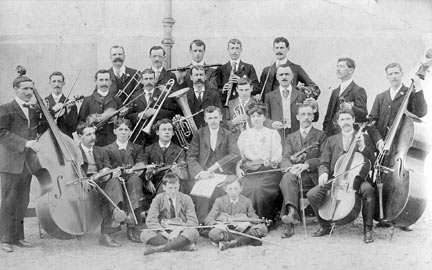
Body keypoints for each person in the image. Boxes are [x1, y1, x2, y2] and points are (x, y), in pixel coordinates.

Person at [307, 108, 376, 243]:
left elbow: (373, 162)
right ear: (337, 122)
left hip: (358, 178)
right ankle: (324, 226)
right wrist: (324, 173)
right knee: (312, 194)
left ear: (353, 120)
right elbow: (324, 161)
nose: (345, 122)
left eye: (348, 119)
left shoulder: (364, 137)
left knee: (368, 190)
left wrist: (363, 147)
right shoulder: (331, 140)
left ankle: (368, 229)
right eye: (342, 119)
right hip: (336, 178)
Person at [0, 75, 43, 252]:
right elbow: (1, 133)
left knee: (23, 200)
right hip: (10, 163)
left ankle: (19, 237)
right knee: (8, 200)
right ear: (15, 89)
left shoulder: (33, 110)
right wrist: (24, 143)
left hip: (27, 163)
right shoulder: (5, 109)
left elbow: (34, 132)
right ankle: (5, 239)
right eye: (24, 88)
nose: (28, 92)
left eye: (31, 89)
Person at [77, 122, 133, 247]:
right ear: (79, 136)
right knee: (108, 193)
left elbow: (107, 166)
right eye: (88, 134)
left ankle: (113, 218)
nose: (93, 137)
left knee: (114, 181)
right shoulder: (74, 152)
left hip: (101, 182)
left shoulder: (101, 151)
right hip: (84, 185)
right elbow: (73, 173)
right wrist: (84, 179)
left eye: (93, 133)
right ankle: (116, 215)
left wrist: (107, 172)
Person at [278, 103, 327, 238]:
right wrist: (291, 168)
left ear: (313, 117)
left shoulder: (321, 135)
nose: (306, 117)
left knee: (288, 183)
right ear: (297, 117)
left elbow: (324, 158)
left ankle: (291, 217)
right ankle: (292, 214)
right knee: (287, 178)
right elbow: (285, 158)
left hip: (313, 177)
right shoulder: (290, 137)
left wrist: (306, 165)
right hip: (295, 176)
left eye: (309, 114)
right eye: (303, 114)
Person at [186, 106, 240, 223]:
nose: (213, 121)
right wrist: (200, 173)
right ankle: (203, 223)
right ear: (205, 119)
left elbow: (235, 154)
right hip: (204, 172)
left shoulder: (228, 134)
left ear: (220, 117)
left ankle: (222, 222)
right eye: (210, 118)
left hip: (223, 172)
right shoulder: (199, 134)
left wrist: (217, 165)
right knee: (202, 189)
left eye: (216, 117)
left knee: (224, 189)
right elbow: (190, 157)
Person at [236, 103, 282, 220]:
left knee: (259, 188)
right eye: (253, 116)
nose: (256, 119)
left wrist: (271, 161)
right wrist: (238, 167)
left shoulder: (272, 133)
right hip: (250, 171)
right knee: (248, 188)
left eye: (259, 116)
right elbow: (240, 156)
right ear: (250, 118)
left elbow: (277, 155)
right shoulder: (244, 135)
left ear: (264, 117)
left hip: (268, 171)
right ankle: (248, 218)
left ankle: (264, 218)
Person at [368, 62, 428, 152]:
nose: (394, 76)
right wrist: (378, 141)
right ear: (387, 77)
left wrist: (418, 87)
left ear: (402, 74)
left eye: (396, 73)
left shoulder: (410, 93)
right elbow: (371, 123)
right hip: (382, 148)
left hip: (401, 146)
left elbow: (421, 112)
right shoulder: (380, 97)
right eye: (390, 74)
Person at [103, 119, 146, 243]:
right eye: (120, 129)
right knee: (114, 182)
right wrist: (112, 172)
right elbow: (105, 167)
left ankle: (132, 224)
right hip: (114, 181)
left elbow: (140, 165)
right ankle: (117, 215)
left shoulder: (137, 148)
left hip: (131, 179)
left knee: (135, 180)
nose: (123, 132)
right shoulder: (106, 149)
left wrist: (133, 170)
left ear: (130, 132)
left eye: (126, 129)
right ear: (114, 131)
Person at [140, 173, 199, 255]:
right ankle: (181, 247)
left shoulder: (186, 199)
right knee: (145, 234)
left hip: (181, 232)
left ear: (179, 186)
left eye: (176, 188)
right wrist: (165, 234)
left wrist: (179, 230)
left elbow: (193, 221)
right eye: (170, 188)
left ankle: (159, 249)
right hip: (163, 231)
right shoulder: (158, 199)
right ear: (164, 187)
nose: (173, 191)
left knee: (193, 232)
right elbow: (151, 220)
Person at [205, 175, 268, 251]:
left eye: (236, 188)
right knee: (214, 233)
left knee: (262, 228)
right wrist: (217, 225)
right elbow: (208, 219)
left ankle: (231, 244)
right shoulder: (219, 201)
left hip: (243, 230)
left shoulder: (246, 201)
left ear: (241, 188)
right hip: (228, 231)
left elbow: (254, 218)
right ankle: (249, 240)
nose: (233, 192)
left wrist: (247, 223)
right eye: (230, 189)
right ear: (225, 189)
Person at [141, 118, 189, 206]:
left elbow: (185, 174)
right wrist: (148, 181)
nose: (167, 132)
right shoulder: (148, 149)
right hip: (153, 184)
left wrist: (177, 171)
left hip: (172, 182)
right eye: (164, 129)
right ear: (157, 132)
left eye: (169, 130)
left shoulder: (180, 150)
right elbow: (142, 169)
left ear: (173, 133)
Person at [265, 64, 318, 138]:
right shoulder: (269, 97)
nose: (284, 77)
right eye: (281, 75)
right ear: (277, 77)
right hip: (277, 136)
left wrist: (315, 107)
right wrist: (272, 124)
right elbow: (265, 119)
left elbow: (314, 119)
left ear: (292, 76)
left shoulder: (301, 95)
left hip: (296, 136)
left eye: (287, 74)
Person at [127, 68, 178, 146]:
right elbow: (128, 116)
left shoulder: (163, 95)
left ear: (155, 80)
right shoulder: (135, 96)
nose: (148, 81)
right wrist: (138, 115)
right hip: (140, 138)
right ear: (141, 81)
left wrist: (157, 112)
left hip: (157, 137)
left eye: (151, 78)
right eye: (146, 79)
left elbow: (172, 114)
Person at [323, 58, 368, 136]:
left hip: (349, 136)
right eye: (337, 66)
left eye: (342, 66)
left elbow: (364, 115)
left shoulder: (358, 90)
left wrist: (351, 108)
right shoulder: (335, 92)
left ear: (351, 70)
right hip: (332, 137)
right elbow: (328, 118)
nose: (338, 69)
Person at [78, 69, 124, 147]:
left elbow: (121, 123)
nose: (104, 83)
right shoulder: (87, 100)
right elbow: (81, 122)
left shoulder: (117, 100)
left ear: (110, 82)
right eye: (101, 80)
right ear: (96, 81)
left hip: (112, 142)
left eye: (106, 80)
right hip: (94, 143)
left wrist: (121, 116)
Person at [216, 38, 260, 106]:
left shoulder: (249, 68)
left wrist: (241, 81)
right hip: (226, 105)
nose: (234, 51)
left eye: (237, 48)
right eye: (232, 48)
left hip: (244, 104)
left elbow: (257, 87)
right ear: (228, 50)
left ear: (241, 50)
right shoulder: (221, 69)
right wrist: (223, 90)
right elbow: (215, 90)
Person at [44, 71, 78, 138]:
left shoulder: (70, 103)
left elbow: (73, 128)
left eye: (59, 81)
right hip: (49, 139)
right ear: (49, 83)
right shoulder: (43, 102)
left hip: (66, 139)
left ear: (63, 83)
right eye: (54, 81)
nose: (57, 84)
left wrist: (67, 112)